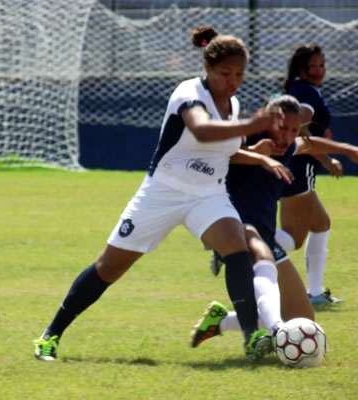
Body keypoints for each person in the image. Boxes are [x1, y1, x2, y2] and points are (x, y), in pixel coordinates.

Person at [32, 25, 291, 362]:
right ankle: (50, 336)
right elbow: (202, 129)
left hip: (207, 195)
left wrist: (257, 156)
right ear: (208, 69)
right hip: (164, 192)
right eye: (225, 73)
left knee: (236, 246)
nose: (233, 80)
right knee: (109, 267)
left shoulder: (233, 103)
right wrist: (251, 126)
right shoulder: (189, 93)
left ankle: (251, 336)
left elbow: (223, 150)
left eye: (239, 73)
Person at [191, 95, 358, 350]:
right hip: (234, 226)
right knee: (260, 261)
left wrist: (349, 150)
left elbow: (309, 145)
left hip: (266, 232)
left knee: (303, 319)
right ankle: (271, 334)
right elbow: (220, 154)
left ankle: (220, 323)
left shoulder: (290, 147)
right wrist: (257, 155)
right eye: (281, 128)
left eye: (292, 130)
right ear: (268, 122)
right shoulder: (246, 140)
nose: (286, 136)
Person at [274, 45, 345, 304]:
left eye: (322, 65)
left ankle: (315, 293)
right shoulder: (305, 91)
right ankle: (237, 242)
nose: (318, 71)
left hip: (298, 166)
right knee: (291, 239)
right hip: (298, 167)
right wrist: (327, 158)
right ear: (300, 68)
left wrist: (321, 136)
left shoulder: (300, 89)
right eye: (312, 66)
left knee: (321, 224)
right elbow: (300, 130)